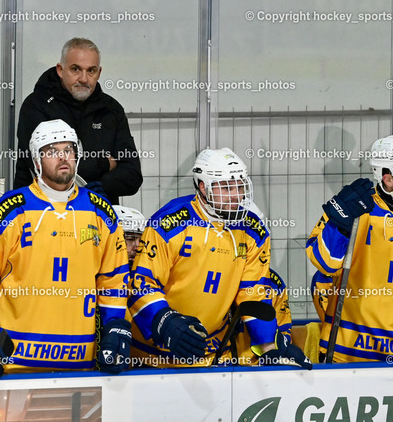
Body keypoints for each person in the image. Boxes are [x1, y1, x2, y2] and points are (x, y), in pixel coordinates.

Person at [0, 119, 131, 376]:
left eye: (68, 149)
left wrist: (116, 326)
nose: (63, 157)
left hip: (79, 361)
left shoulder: (101, 212)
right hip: (14, 362)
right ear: (36, 160)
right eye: (52, 151)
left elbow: (114, 281)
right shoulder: (9, 209)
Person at [127, 147, 312, 369]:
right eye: (226, 187)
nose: (235, 195)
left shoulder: (254, 231)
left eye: (239, 186)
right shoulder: (169, 223)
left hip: (211, 353)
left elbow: (253, 292)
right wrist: (166, 322)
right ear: (203, 187)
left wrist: (270, 348)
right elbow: (142, 283)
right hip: (151, 354)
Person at [307, 135, 393, 362]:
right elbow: (325, 265)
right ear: (388, 179)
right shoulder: (355, 210)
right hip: (347, 355)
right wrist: (339, 224)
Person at [13, 37, 143, 204]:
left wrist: (102, 186)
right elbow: (48, 169)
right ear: (60, 70)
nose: (83, 78)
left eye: (91, 71)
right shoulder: (36, 105)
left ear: (99, 73)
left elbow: (133, 175)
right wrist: (104, 164)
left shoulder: (111, 110)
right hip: (38, 209)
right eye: (75, 69)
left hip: (97, 213)